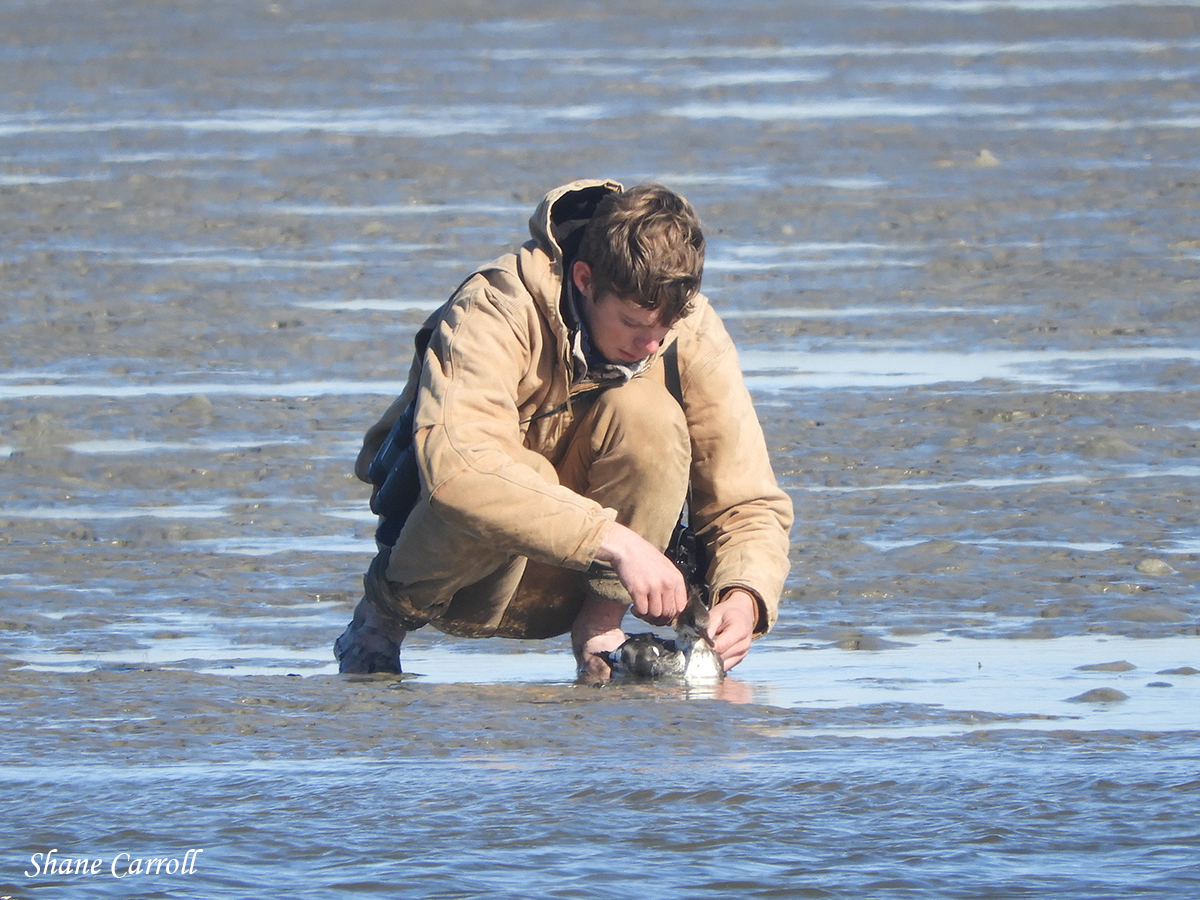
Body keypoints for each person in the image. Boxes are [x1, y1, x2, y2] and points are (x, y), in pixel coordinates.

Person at [333, 179, 792, 679]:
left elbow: (746, 499)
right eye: (634, 324)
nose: (650, 345)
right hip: (453, 575)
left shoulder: (687, 327)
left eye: (664, 329)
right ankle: (377, 629)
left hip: (587, 582)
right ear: (583, 279)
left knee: (648, 414)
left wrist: (744, 595)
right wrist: (617, 542)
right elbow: (460, 474)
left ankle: (600, 638)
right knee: (513, 470)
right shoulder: (493, 308)